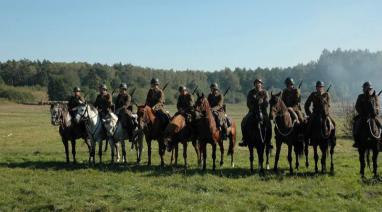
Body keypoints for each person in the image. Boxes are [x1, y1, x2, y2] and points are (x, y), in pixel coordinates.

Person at [239, 79, 271, 147]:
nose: (258, 84)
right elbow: (248, 103)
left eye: (259, 83)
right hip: (253, 111)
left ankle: (269, 141)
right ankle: (244, 139)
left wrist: (262, 102)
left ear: (261, 84)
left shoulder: (265, 92)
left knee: (268, 123)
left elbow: (267, 103)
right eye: (256, 83)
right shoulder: (251, 92)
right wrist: (254, 107)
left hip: (263, 111)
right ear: (254, 84)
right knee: (244, 121)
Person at [353, 81, 381, 147]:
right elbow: (357, 106)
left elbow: (378, 107)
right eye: (365, 88)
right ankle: (356, 141)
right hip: (363, 116)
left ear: (370, 89)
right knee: (356, 125)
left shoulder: (375, 97)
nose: (367, 90)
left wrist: (376, 111)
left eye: (368, 88)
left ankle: (380, 142)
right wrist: (362, 113)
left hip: (373, 116)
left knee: (380, 125)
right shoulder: (360, 96)